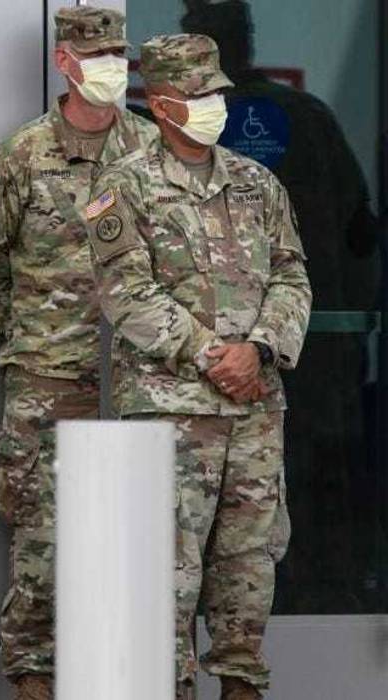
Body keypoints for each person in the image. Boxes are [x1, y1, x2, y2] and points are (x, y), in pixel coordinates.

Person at [84, 34, 312, 700]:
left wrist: (259, 350)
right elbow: (126, 293)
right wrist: (214, 355)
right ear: (160, 105)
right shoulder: (120, 187)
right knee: (165, 568)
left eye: (216, 92)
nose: (214, 104)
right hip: (170, 412)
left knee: (249, 563)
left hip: (253, 408)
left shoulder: (256, 183)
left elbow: (292, 276)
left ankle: (242, 686)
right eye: (197, 95)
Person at [0, 7, 156, 698]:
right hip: (51, 375)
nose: (110, 68)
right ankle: (33, 677)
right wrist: (32, 331)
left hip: (143, 377)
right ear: (63, 62)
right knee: (44, 532)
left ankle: (123, 678)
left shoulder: (152, 150)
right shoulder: (21, 156)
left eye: (118, 56)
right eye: (95, 57)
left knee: (142, 536)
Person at [180, 0, 382, 614]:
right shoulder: (301, 118)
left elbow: (358, 235)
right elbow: (361, 235)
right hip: (288, 356)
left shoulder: (181, 131)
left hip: (261, 359)